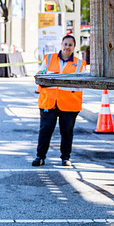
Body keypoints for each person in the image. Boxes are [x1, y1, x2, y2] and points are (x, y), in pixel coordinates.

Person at [33, 34, 86, 167]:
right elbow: (41, 74)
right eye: (65, 44)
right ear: (61, 45)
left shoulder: (80, 64)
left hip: (69, 104)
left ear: (74, 47)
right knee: (45, 130)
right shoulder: (49, 59)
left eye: (70, 45)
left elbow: (82, 82)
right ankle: (40, 157)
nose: (67, 47)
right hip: (49, 102)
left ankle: (65, 157)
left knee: (67, 132)